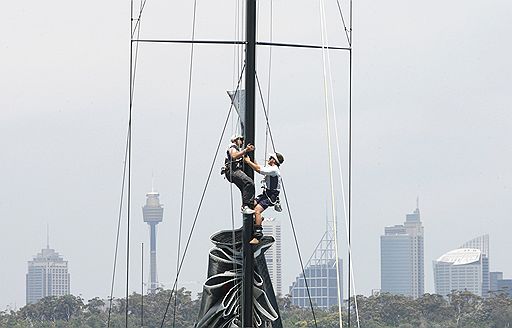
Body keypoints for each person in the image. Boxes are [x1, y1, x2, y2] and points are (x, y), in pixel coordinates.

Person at [244, 152, 284, 244]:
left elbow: (258, 169)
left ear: (273, 160)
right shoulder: (271, 169)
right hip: (265, 194)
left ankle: (257, 235)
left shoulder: (274, 170)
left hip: (271, 195)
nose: (269, 159)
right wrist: (251, 158)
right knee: (251, 204)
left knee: (257, 210)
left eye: (270, 158)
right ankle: (258, 220)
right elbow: (258, 166)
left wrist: (248, 162)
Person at [222, 134, 255, 214]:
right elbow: (234, 156)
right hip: (233, 171)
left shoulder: (237, 149)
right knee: (249, 182)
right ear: (235, 140)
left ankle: (246, 206)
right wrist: (245, 150)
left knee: (245, 188)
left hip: (233, 171)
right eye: (241, 139)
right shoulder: (232, 147)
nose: (242, 141)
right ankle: (245, 206)